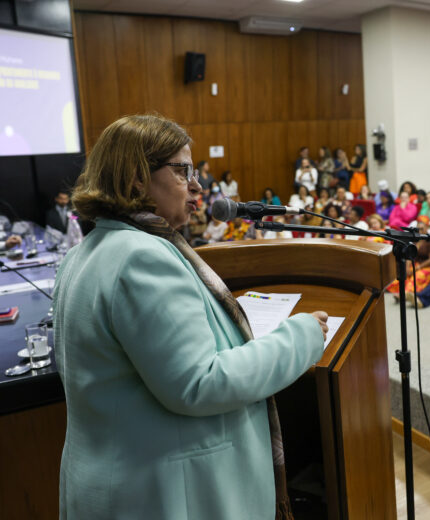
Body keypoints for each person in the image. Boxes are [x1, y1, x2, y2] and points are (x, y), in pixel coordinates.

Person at [54, 115, 329, 518]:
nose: (198, 185)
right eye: (182, 171)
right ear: (135, 178)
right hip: (164, 493)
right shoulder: (141, 257)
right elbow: (199, 382)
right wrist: (301, 336)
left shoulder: (85, 253)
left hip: (115, 479)